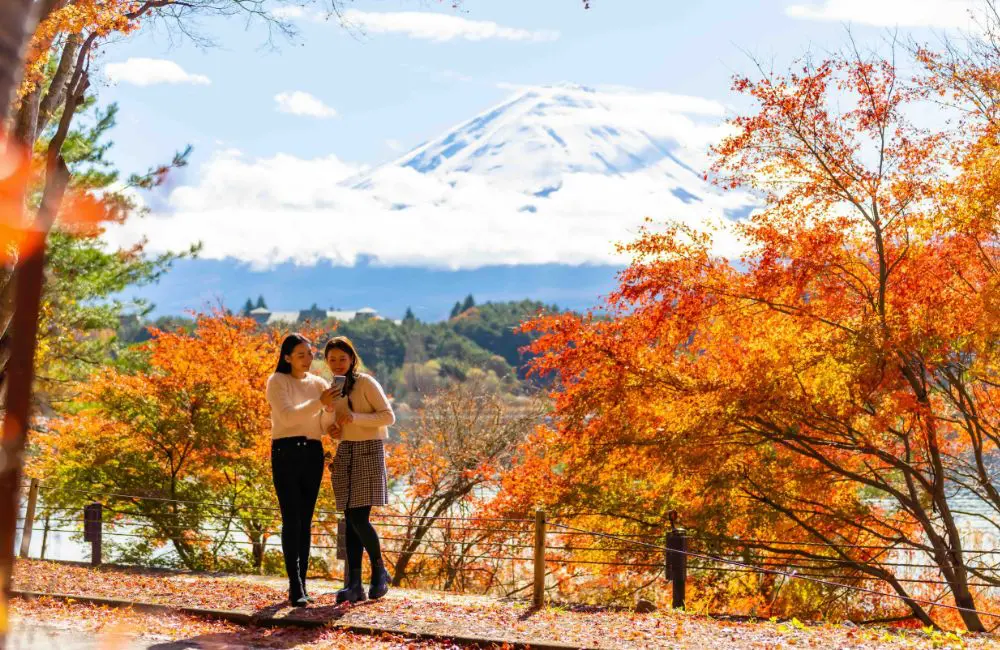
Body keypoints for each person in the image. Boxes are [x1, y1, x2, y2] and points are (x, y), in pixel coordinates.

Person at [322, 336, 396, 603]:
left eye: (343, 358)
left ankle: (379, 570)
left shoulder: (365, 382)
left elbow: (388, 416)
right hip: (346, 452)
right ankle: (354, 584)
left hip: (368, 450)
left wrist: (356, 418)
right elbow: (335, 424)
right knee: (349, 520)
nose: (338, 363)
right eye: (332, 359)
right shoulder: (333, 388)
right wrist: (333, 429)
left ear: (352, 359)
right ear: (327, 362)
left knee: (358, 519)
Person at [266, 333, 337, 607]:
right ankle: (294, 584)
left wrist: (330, 411)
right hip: (285, 452)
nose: (308, 359)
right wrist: (320, 402)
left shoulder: (318, 384)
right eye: (301, 355)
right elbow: (287, 416)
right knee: (291, 519)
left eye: (309, 353)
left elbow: (320, 425)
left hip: (312, 452)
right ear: (287, 357)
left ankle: (303, 585)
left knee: (306, 521)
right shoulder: (277, 381)